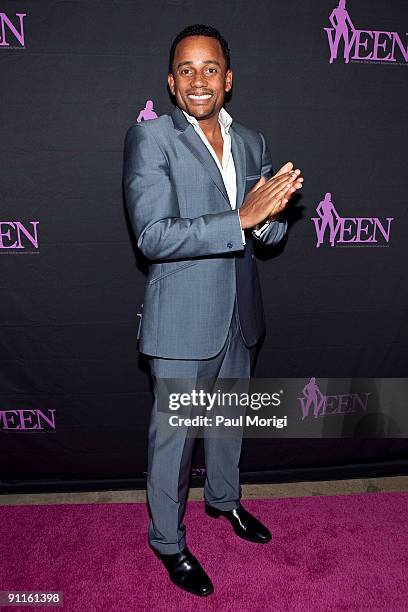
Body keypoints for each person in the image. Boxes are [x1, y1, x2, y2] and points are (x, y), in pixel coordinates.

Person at [123, 23, 303, 597]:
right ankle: (168, 542)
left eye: (210, 69)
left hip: (238, 315)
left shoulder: (252, 140)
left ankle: (225, 503)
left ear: (228, 79)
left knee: (227, 427)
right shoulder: (151, 139)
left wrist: (270, 216)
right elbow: (152, 235)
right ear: (172, 84)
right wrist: (242, 219)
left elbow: (265, 236)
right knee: (174, 442)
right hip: (182, 317)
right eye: (185, 70)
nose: (198, 79)